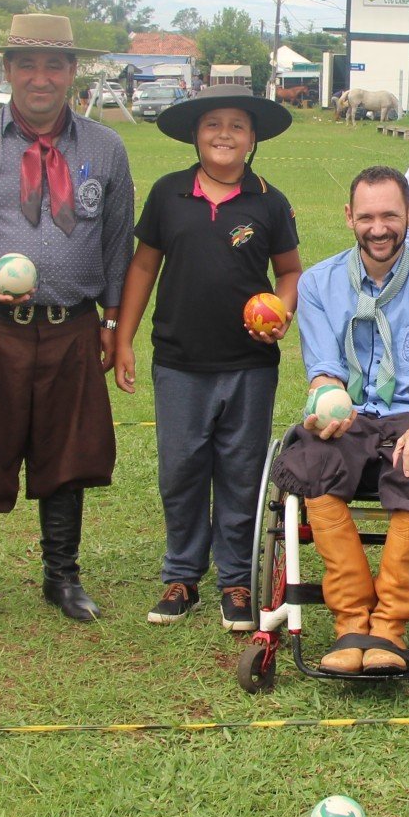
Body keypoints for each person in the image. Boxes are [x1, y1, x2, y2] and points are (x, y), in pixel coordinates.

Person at [0, 14, 136, 634]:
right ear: (8, 71)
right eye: (26, 65)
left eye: (54, 65)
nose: (40, 78)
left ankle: (62, 576)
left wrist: (113, 317)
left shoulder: (105, 148)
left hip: (73, 324)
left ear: (73, 72)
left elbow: (118, 240)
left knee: (68, 453)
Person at [113, 83, 301, 630]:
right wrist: (123, 337)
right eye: (212, 124)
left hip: (248, 364)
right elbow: (144, 267)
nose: (224, 134)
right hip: (178, 362)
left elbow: (289, 271)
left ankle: (236, 582)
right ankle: (181, 576)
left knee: (241, 472)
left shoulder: (269, 200)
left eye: (237, 125)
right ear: (195, 135)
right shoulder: (168, 193)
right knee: (181, 469)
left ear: (252, 139)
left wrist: (282, 312)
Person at [275, 166, 409, 675]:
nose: (379, 227)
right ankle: (351, 621)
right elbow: (323, 371)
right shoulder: (319, 283)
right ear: (349, 218)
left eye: (390, 215)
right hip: (353, 414)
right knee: (312, 458)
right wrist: (326, 402)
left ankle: (388, 627)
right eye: (366, 216)